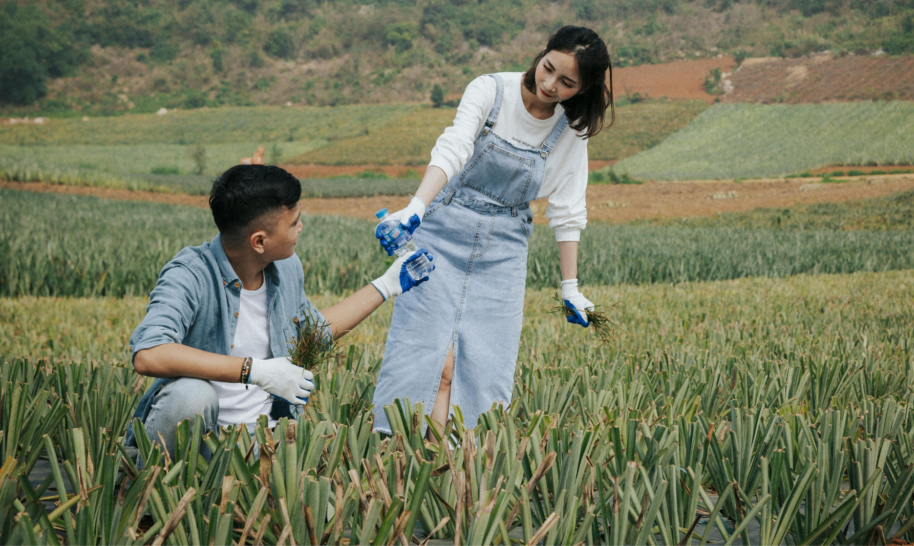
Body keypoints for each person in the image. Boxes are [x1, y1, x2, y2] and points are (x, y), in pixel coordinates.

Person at [373, 25, 614, 436]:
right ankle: (398, 452)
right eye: (548, 68)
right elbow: (454, 147)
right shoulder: (491, 91)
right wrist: (416, 206)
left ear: (583, 89)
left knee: (486, 365)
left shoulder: (569, 132)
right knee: (424, 355)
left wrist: (570, 286)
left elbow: (568, 209)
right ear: (542, 53)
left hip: (504, 249)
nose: (549, 84)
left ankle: (465, 464)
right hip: (443, 232)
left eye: (566, 82)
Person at [127, 164, 432, 458]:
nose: (301, 227)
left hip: (263, 441)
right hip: (199, 444)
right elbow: (149, 353)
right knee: (191, 397)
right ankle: (147, 497)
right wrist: (253, 371)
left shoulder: (286, 268)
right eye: (293, 222)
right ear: (259, 241)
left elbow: (313, 334)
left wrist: (387, 285)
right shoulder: (189, 274)